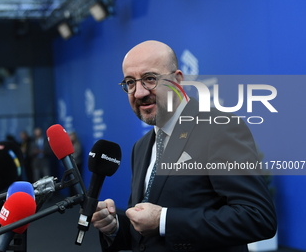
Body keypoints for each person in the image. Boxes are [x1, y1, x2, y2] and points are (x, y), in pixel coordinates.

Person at [91, 40, 277, 251]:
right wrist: (114, 227)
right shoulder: (140, 147)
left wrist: (164, 220)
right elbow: (146, 236)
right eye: (130, 82)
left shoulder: (218, 129)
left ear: (178, 80)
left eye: (149, 79)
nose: (139, 92)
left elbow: (258, 218)